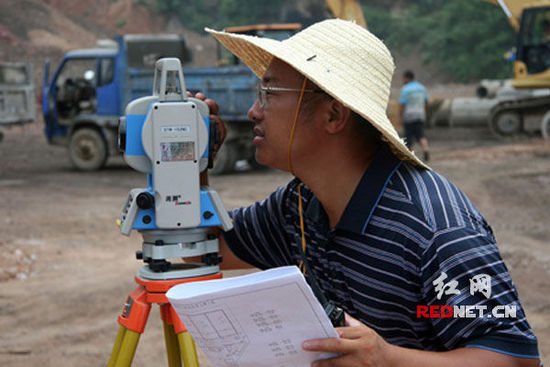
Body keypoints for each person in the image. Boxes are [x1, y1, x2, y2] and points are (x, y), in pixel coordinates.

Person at [198, 19, 540, 366]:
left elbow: (513, 359)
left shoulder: (433, 229)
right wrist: (189, 161)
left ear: (333, 115)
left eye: (269, 94)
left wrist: (386, 359)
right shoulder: (301, 205)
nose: (253, 111)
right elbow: (201, 249)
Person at [399, 70, 430, 162]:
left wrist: (400, 116)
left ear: (407, 78)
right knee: (420, 135)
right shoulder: (422, 88)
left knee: (408, 137)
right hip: (420, 114)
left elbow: (402, 104)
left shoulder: (405, 89)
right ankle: (426, 149)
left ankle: (410, 157)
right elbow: (426, 102)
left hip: (409, 116)